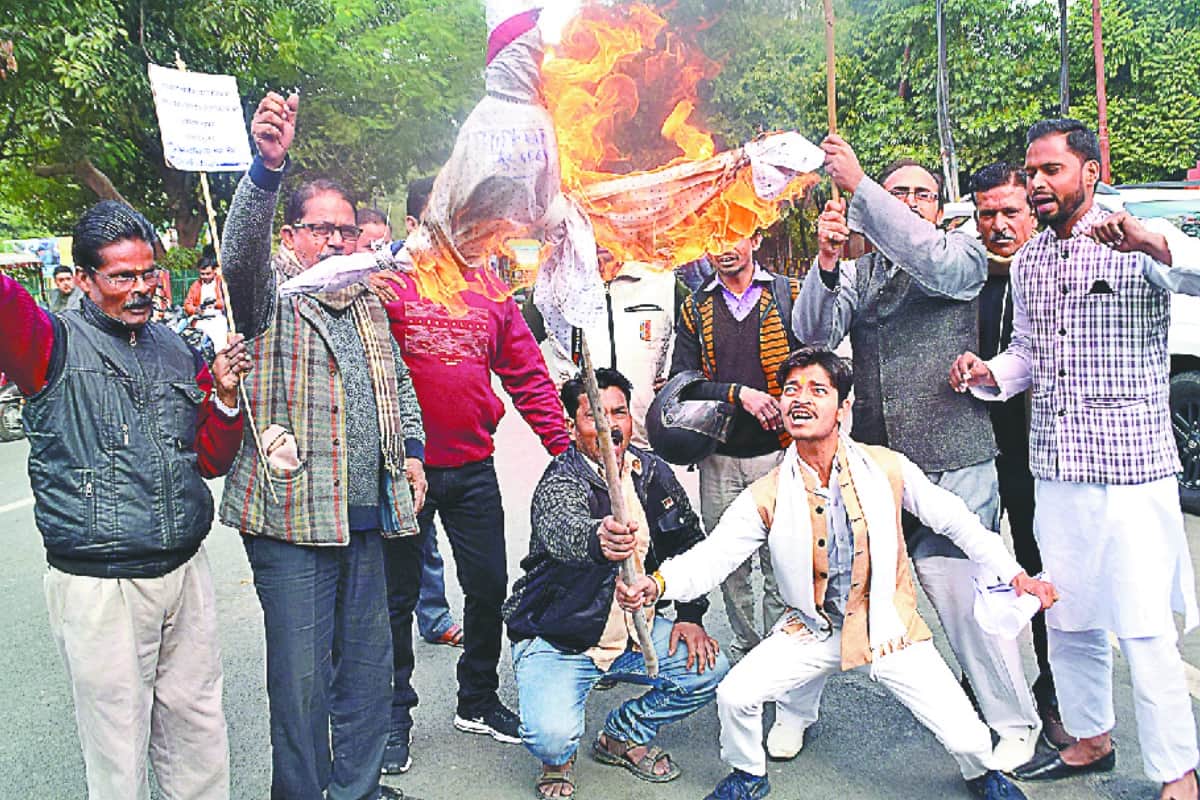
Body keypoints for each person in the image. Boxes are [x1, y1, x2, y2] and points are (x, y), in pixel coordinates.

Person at [620, 347, 1053, 800]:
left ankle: (982, 774)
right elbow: (714, 556)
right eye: (791, 390)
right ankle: (748, 774)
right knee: (735, 695)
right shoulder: (769, 492)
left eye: (817, 390)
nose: (800, 400)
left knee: (969, 740)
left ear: (843, 407)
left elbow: (957, 521)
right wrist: (657, 584)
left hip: (887, 628)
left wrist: (1014, 574)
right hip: (813, 627)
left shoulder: (887, 467)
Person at [952, 118, 1200, 800]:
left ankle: (1178, 773)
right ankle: (1090, 739)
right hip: (1056, 468)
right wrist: (988, 373)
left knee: (1145, 627)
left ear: (1090, 171)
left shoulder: (1139, 241)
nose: (1037, 183)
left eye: (1051, 170)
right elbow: (1028, 353)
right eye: (1031, 172)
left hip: (1131, 471)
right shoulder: (1031, 259)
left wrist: (1153, 242)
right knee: (1066, 616)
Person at [792, 136, 1042, 770]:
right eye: (896, 191)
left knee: (966, 599)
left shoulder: (962, 252)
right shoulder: (864, 269)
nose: (907, 202)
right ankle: (795, 710)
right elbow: (814, 335)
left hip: (955, 456)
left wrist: (862, 189)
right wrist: (827, 263)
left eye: (920, 194)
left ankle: (1013, 722)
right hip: (878, 463)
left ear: (939, 206)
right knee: (833, 586)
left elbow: (931, 260)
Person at [0, 200, 251, 799]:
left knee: (199, 731)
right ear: (83, 279)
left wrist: (223, 398)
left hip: (184, 572)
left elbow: (210, 461)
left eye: (148, 273)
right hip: (100, 584)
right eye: (120, 277)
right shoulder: (48, 344)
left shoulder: (178, 348)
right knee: (117, 752)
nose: (140, 289)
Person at [219, 92, 426, 800]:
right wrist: (266, 169)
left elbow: (397, 381)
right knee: (301, 685)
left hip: (366, 519)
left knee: (367, 675)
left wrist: (413, 450)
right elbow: (239, 253)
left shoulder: (366, 298)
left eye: (346, 230)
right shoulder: (268, 293)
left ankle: (358, 790)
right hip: (292, 521)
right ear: (292, 235)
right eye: (320, 229)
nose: (336, 242)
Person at [368, 174, 570, 766]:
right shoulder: (386, 287)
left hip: (472, 468)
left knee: (487, 587)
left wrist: (565, 450)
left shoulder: (492, 292)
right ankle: (393, 715)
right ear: (415, 225)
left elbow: (528, 375)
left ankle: (477, 697)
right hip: (401, 472)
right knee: (395, 599)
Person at [504, 367, 729, 799]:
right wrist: (598, 538)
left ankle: (623, 734)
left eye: (619, 412)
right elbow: (563, 527)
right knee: (550, 738)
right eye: (595, 416)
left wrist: (690, 615)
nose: (610, 426)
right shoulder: (560, 479)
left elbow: (688, 542)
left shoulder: (652, 472)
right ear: (571, 426)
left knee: (710, 670)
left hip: (634, 635)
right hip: (562, 638)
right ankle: (557, 757)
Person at [969, 161, 1073, 749]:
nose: (1000, 224)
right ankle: (984, 685)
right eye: (988, 213)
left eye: (1011, 211)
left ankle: (1054, 692)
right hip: (976, 450)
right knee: (975, 573)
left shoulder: (1054, 273)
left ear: (1032, 212)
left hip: (1042, 455)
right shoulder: (964, 278)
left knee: (1041, 573)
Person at [667, 234, 799, 660]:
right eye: (715, 238)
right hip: (719, 458)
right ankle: (747, 648)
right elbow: (684, 383)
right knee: (731, 565)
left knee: (781, 562)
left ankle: (778, 652)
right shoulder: (696, 308)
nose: (724, 248)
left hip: (778, 456)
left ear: (756, 237)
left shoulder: (787, 295)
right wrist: (738, 394)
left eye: (733, 235)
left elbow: (811, 364)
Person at [366, 179, 464, 659]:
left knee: (430, 549)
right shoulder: (377, 285)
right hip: (387, 448)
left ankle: (436, 617)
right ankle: (389, 679)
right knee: (399, 554)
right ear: (410, 224)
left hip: (446, 453)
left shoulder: (465, 278)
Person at [528, 251, 682, 449]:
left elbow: (701, 335)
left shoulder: (662, 281)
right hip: (581, 446)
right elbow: (513, 349)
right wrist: (546, 392)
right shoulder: (554, 284)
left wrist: (678, 382)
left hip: (646, 442)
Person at [183, 247, 230, 351]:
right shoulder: (196, 285)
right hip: (200, 319)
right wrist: (195, 310)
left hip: (217, 318)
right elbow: (187, 304)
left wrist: (215, 304)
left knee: (220, 340)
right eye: (202, 274)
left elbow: (227, 302)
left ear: (214, 271)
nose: (205, 277)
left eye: (208, 274)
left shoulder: (221, 283)